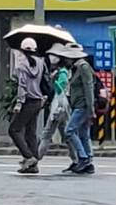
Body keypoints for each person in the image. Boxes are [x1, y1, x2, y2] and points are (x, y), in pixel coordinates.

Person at [57, 43, 96, 174]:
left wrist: (91, 109)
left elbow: (89, 88)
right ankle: (88, 161)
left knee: (69, 131)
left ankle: (83, 157)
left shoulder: (83, 67)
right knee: (83, 133)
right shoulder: (74, 69)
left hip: (82, 105)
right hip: (78, 105)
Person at [9, 37, 47, 174]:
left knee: (14, 130)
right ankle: (33, 165)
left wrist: (19, 103)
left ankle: (28, 156)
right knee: (31, 132)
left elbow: (22, 86)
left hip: (27, 101)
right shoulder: (40, 63)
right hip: (38, 101)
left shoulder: (22, 65)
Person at [37, 44, 77, 167]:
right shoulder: (64, 71)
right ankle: (76, 159)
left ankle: (36, 158)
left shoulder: (63, 72)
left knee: (47, 133)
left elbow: (61, 88)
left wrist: (54, 81)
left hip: (59, 106)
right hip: (62, 107)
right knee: (66, 133)